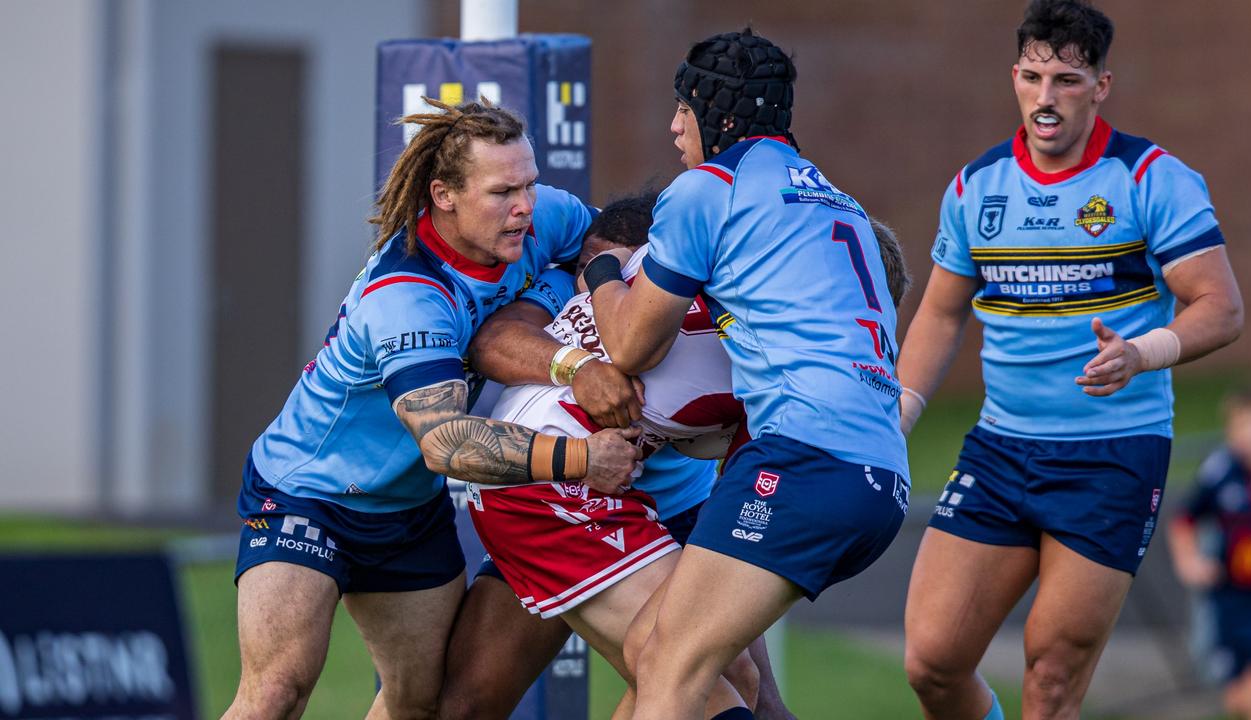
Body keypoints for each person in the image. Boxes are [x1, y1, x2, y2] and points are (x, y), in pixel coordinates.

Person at [222, 99, 641, 720]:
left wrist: (565, 292)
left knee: (419, 706)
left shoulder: (538, 218)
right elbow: (447, 444)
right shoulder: (408, 297)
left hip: (407, 510)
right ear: (443, 195)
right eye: (503, 192)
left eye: (529, 183)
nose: (525, 205)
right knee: (278, 692)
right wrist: (582, 458)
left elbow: (611, 244)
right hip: (308, 491)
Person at [896, 2, 1246, 718]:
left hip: (1111, 456)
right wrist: (898, 413)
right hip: (999, 451)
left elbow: (1221, 307)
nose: (1045, 97)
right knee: (933, 663)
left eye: (1066, 79)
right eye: (1032, 77)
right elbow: (940, 310)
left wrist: (1142, 354)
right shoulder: (976, 187)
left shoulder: (1151, 178)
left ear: (1101, 86)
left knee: (1051, 678)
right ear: (1014, 78)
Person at [581, 28, 911, 720]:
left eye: (684, 108)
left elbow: (632, 347)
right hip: (878, 477)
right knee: (659, 651)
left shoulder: (709, 188)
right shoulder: (838, 201)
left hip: (803, 462)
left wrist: (602, 270)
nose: (674, 127)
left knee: (673, 666)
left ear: (719, 117)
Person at [440, 192, 797, 720]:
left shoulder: (702, 310)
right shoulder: (574, 282)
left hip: (672, 510)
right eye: (591, 268)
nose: (590, 285)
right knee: (469, 700)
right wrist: (579, 367)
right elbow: (495, 341)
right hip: (564, 485)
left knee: (731, 684)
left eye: (610, 270)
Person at [1170, 386, 1251, 720]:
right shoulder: (1221, 473)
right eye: (1250, 426)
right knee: (1239, 697)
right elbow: (1184, 518)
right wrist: (1189, 561)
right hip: (1231, 603)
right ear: (1232, 433)